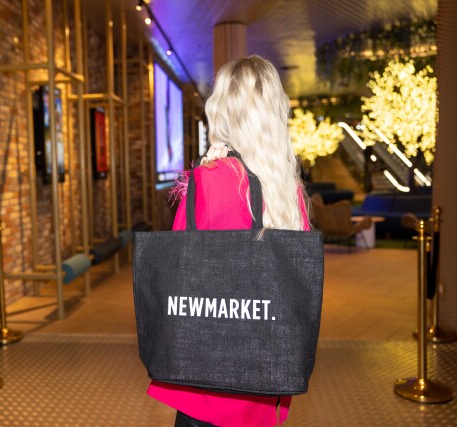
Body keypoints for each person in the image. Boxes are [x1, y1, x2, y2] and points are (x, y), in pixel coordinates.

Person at [147, 55, 311, 426]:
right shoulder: (289, 191)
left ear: (222, 109)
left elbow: (180, 270)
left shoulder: (207, 181)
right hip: (264, 376)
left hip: (207, 379)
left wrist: (203, 172)